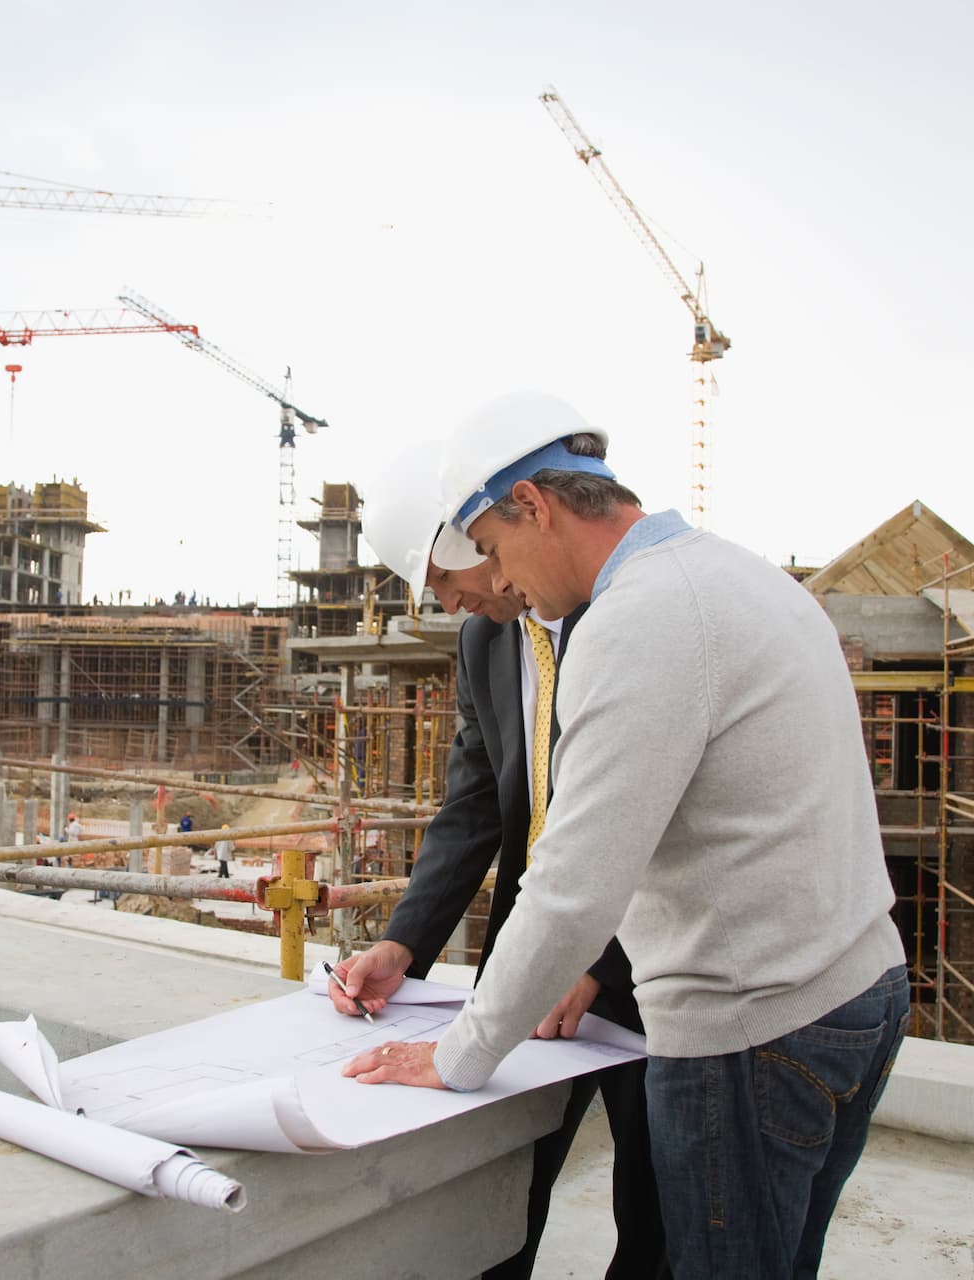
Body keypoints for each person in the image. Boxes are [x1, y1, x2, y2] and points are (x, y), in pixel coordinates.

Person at [341, 393, 908, 1280]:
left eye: (489, 551)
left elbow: (575, 882)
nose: (497, 583)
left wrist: (458, 1057)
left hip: (749, 1027)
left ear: (533, 504)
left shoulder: (635, 619)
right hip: (850, 988)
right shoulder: (735, 574)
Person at [329, 427, 665, 1280]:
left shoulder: (628, 615)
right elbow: (474, 804)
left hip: (645, 967)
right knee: (502, 1192)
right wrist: (407, 943)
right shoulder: (487, 640)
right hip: (529, 956)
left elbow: (658, 816)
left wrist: (602, 960)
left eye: (452, 576)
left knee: (657, 1212)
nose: (447, 604)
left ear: (499, 530)